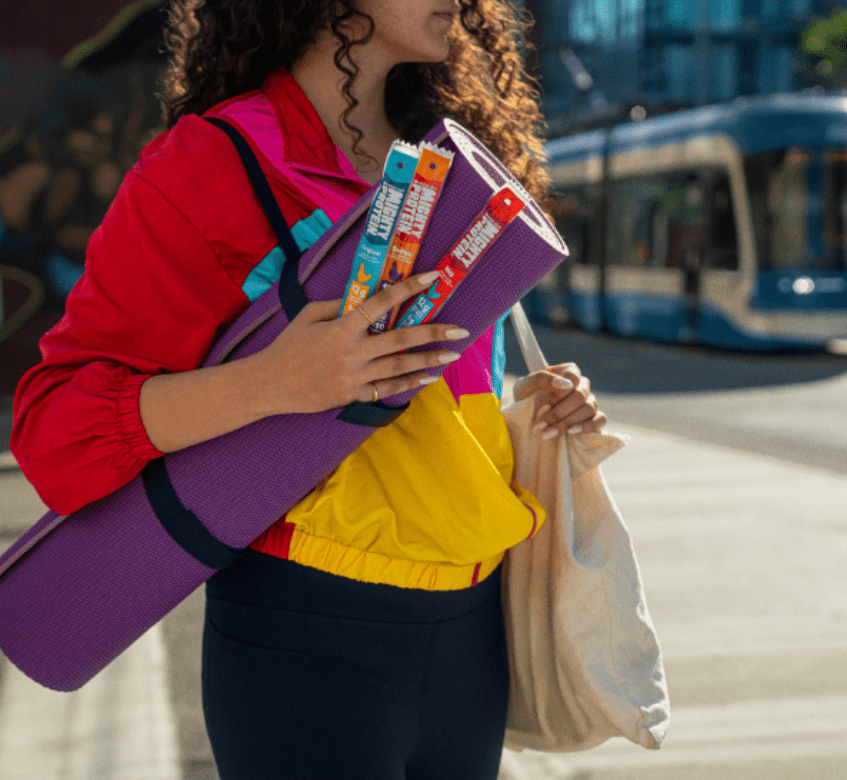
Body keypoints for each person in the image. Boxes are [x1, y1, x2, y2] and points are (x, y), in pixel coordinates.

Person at [11, 1, 607, 777]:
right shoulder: (209, 163)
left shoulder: (445, 166)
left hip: (470, 622)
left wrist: (533, 407)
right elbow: (55, 430)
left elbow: (436, 399)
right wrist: (271, 383)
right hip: (308, 628)